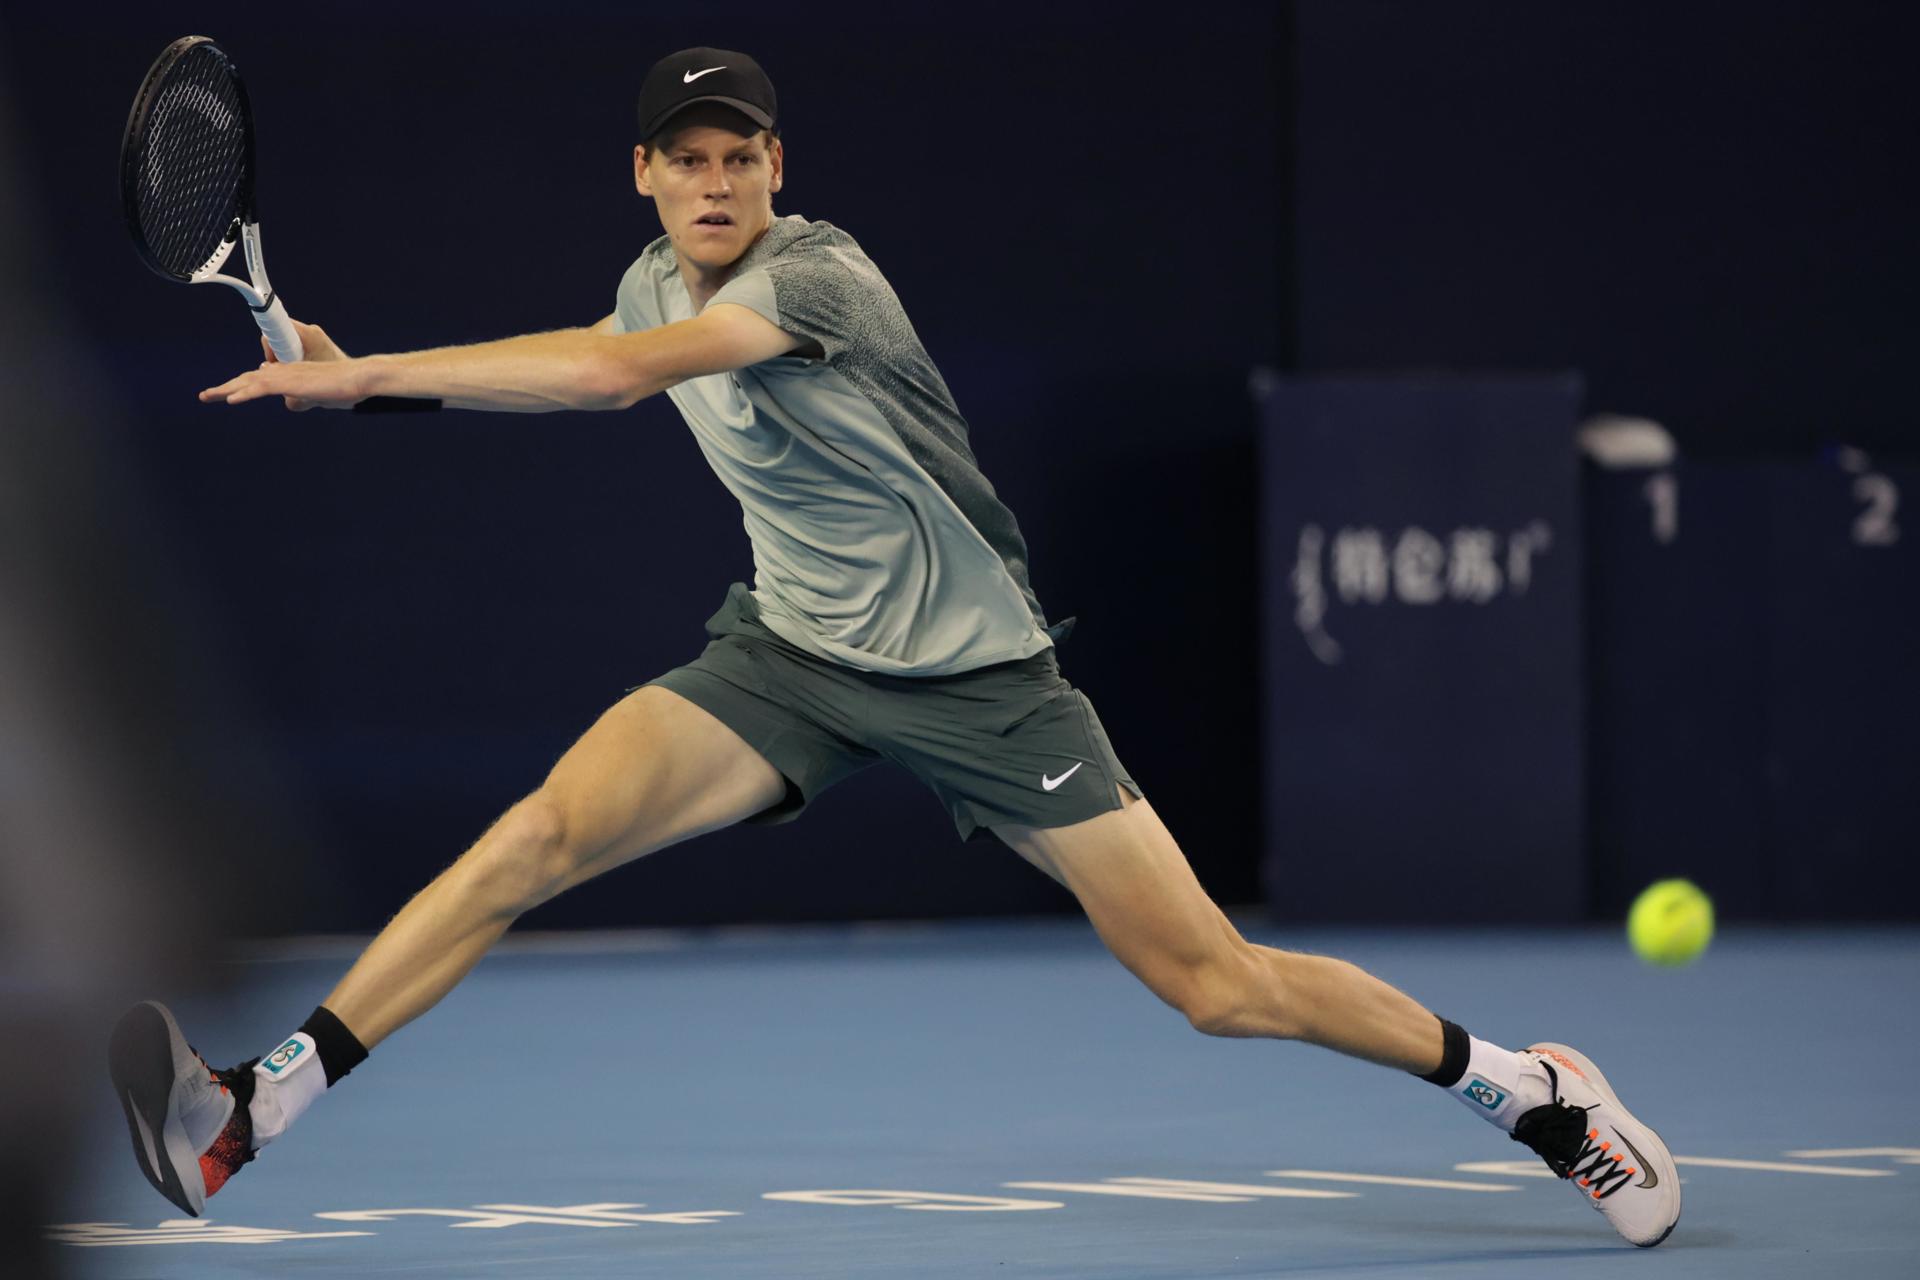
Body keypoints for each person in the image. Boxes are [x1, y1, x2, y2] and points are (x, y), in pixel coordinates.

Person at [111, 46, 1680, 1248]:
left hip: (985, 685)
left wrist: (361, 375)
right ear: (644, 175)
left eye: (741, 157)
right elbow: (579, 352)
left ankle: (1530, 1093)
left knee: (1215, 984)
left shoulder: (816, 276)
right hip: (787, 660)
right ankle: (245, 1118)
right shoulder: (652, 277)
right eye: (687, 160)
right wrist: (368, 374)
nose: (716, 183)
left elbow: (607, 381)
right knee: (535, 837)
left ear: (775, 167)